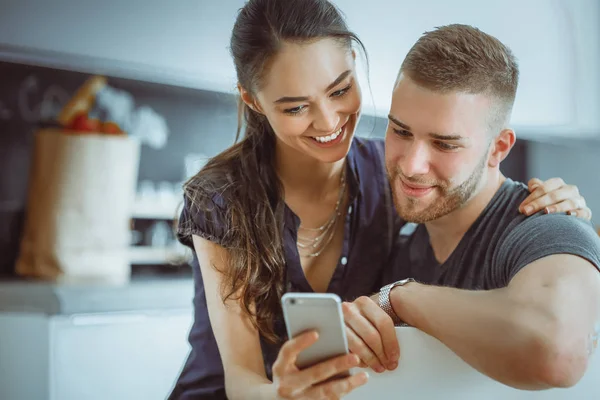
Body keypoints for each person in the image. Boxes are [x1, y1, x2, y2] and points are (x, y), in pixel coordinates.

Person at [168, 1, 592, 399]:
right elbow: (240, 380)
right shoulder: (221, 197)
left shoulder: (386, 174)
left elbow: (474, 188)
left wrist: (562, 212)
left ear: (354, 62)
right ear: (252, 100)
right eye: (296, 107)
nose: (329, 121)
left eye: (339, 91)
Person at [338, 24, 600, 393]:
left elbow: (557, 353)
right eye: (401, 131)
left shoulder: (547, 227)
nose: (412, 165)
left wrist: (403, 296)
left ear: (499, 148)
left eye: (444, 145)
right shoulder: (399, 242)